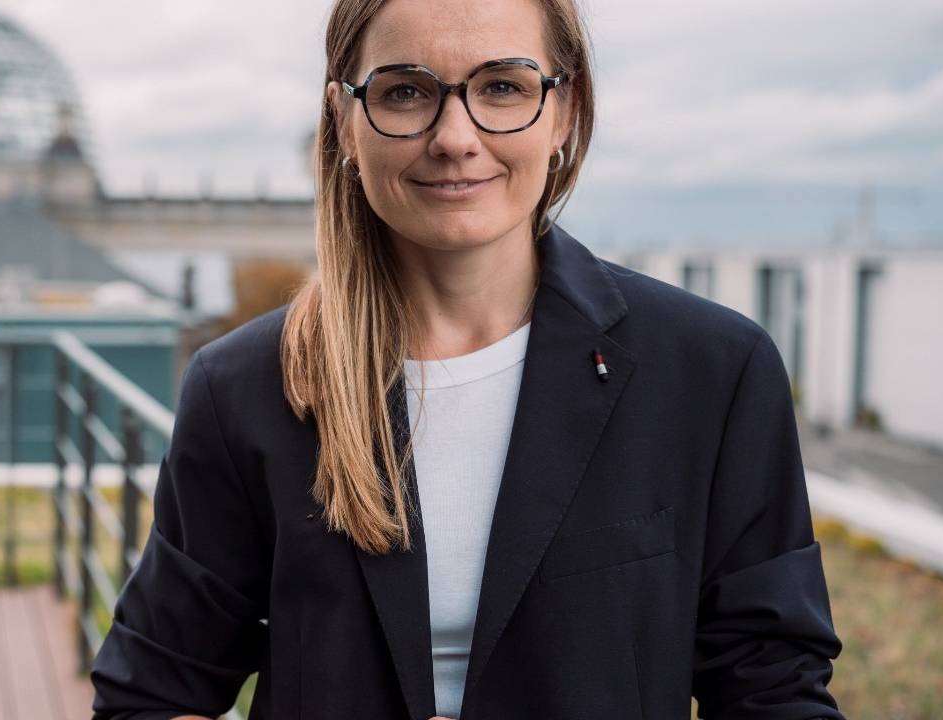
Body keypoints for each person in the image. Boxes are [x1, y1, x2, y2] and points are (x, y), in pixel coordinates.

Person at [89, 0, 845, 717]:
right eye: (406, 92)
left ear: (565, 112)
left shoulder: (712, 372)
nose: (455, 137)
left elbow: (773, 695)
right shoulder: (246, 390)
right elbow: (148, 695)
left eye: (504, 87)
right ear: (344, 122)